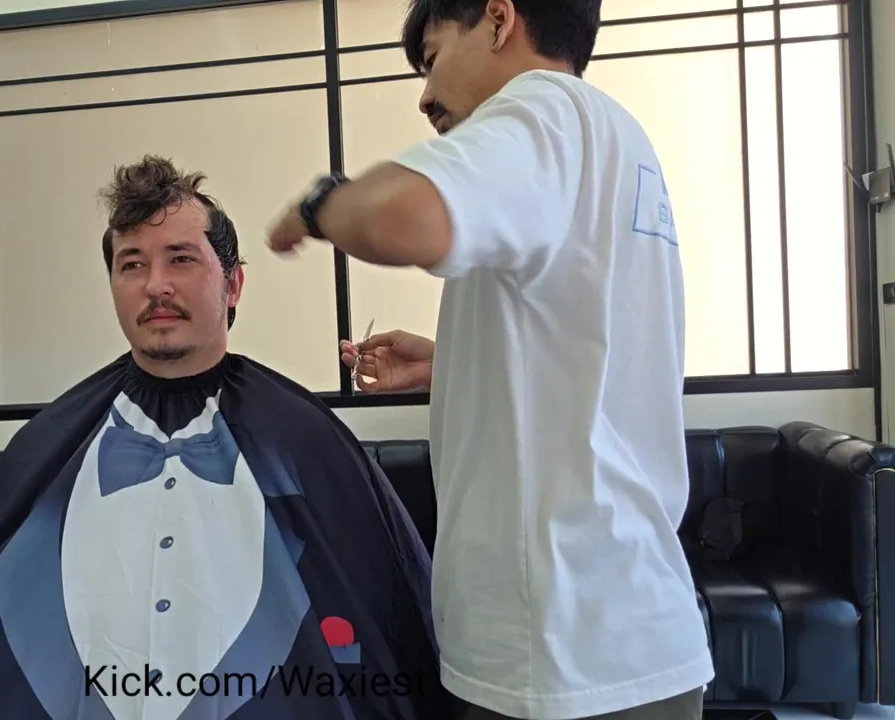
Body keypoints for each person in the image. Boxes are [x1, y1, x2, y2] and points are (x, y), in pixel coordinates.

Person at [0, 155, 450, 720]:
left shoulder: (304, 437)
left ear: (233, 283)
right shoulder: (51, 440)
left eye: (181, 258)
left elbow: (392, 610)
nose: (156, 285)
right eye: (132, 264)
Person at [265, 1, 713, 720]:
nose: (425, 96)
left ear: (500, 20)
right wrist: (453, 366)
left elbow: (400, 214)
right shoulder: (614, 138)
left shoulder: (541, 111)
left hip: (560, 658)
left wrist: (321, 204)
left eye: (433, 57)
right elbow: (590, 356)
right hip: (628, 632)